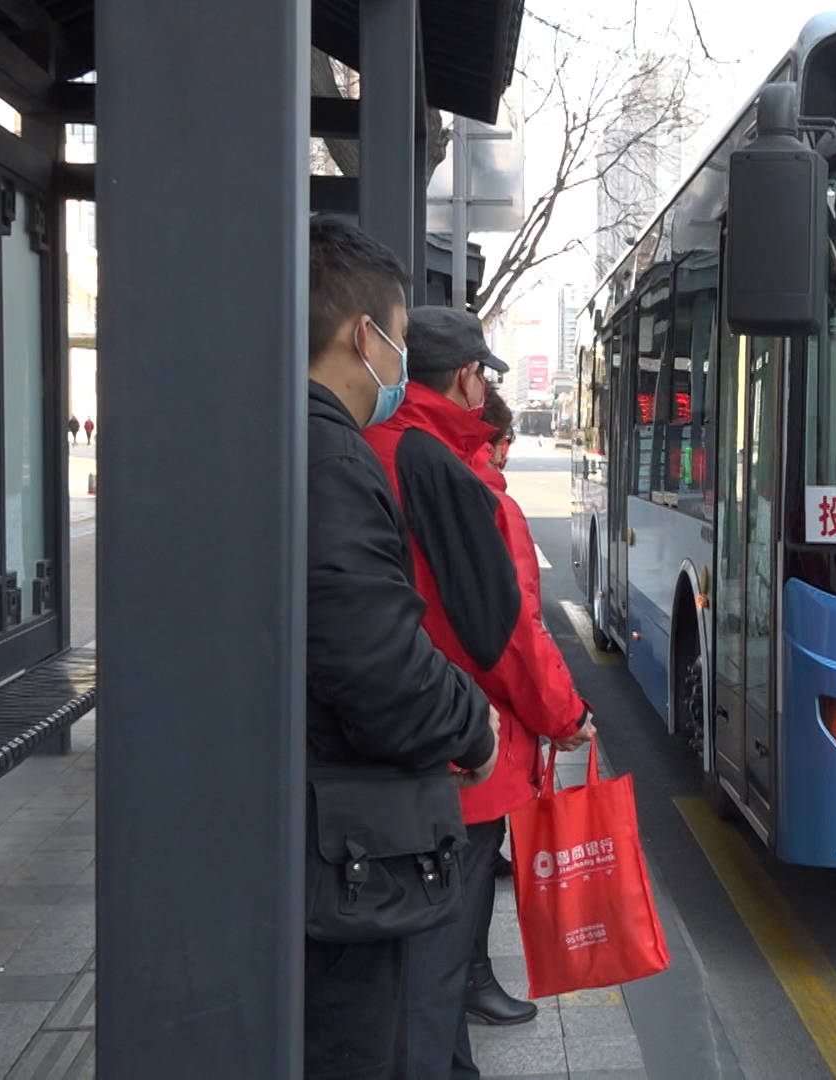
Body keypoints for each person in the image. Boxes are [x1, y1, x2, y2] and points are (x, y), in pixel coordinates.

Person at [363, 306, 594, 1078]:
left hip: (390, 744)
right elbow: (506, 634)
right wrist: (567, 716)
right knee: (434, 964)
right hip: (466, 753)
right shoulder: (444, 473)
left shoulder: (370, 450)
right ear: (466, 377)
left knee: (420, 963)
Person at [304, 217, 502, 1080]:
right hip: (335, 835)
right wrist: (476, 721)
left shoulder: (291, 437)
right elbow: (383, 667)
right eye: (396, 336)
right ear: (366, 337)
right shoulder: (332, 456)